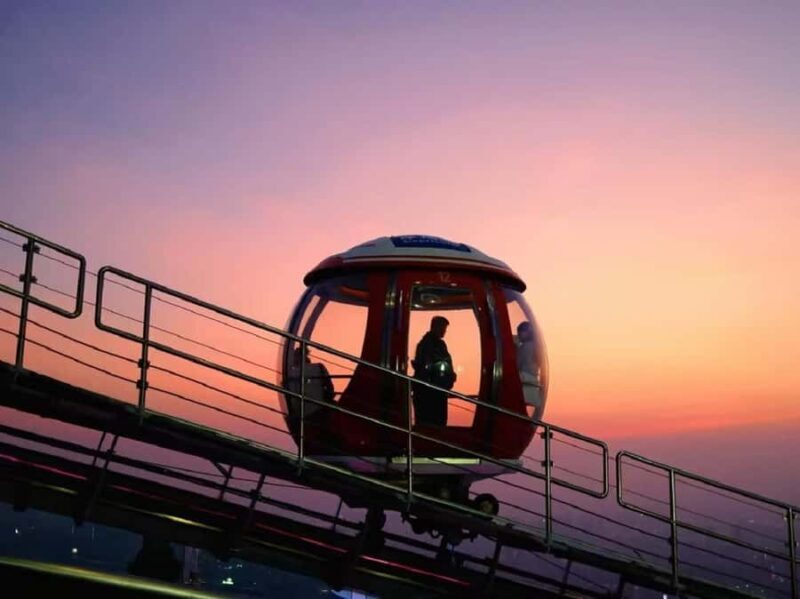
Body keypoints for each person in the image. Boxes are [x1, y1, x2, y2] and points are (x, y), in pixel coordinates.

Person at [412, 315, 456, 426]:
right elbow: (427, 368)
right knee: (432, 425)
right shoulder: (428, 345)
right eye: (443, 328)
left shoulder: (433, 344)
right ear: (436, 327)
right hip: (431, 394)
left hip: (435, 392)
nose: (444, 331)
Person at [516, 322, 543, 420]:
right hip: (531, 380)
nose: (519, 334)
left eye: (520, 332)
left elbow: (517, 364)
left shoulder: (525, 347)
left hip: (523, 379)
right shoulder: (536, 347)